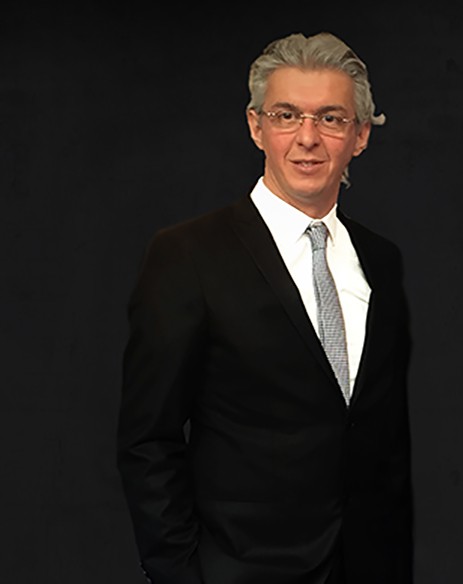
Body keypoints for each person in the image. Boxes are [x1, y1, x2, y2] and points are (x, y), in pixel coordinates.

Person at [117, 32, 412, 584]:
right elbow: (148, 439)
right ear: (256, 127)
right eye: (286, 116)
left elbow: (386, 442)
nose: (308, 138)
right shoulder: (187, 255)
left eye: (331, 118)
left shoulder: (381, 261)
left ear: (360, 135)